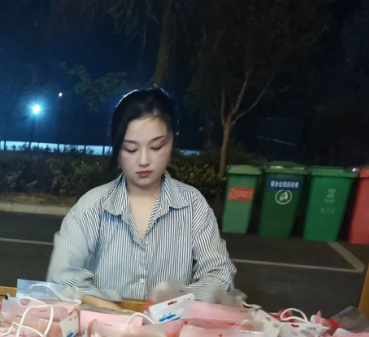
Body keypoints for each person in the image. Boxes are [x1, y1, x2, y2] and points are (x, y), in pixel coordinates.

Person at [47, 87, 236, 310]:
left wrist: (169, 309)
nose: (144, 160)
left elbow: (219, 274)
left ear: (172, 140)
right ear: (117, 147)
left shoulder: (193, 205)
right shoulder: (92, 207)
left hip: (172, 328)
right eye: (131, 149)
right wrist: (118, 313)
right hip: (105, 328)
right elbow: (61, 277)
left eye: (156, 146)